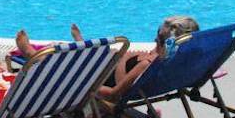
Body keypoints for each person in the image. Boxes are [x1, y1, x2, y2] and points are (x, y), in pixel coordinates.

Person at [16, 16, 203, 101]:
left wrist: (121, 60)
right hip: (104, 64)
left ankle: (31, 55)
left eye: (160, 39)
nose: (155, 39)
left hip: (96, 76)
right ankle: (82, 45)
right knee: (79, 52)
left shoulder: (147, 64)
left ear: (170, 44)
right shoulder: (176, 62)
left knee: (59, 63)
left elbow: (114, 94)